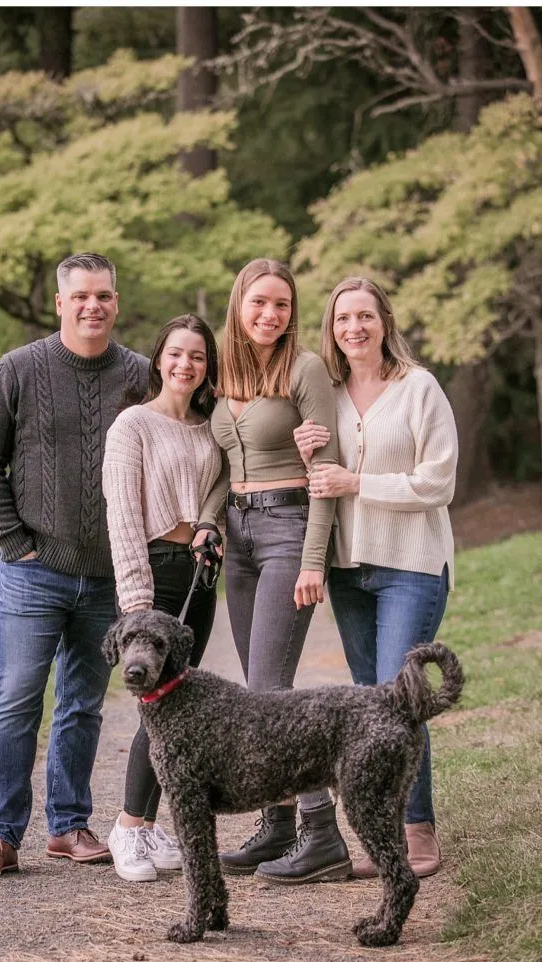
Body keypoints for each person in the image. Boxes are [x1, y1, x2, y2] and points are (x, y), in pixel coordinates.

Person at [0, 252, 149, 877]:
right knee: (17, 699)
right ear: (61, 303)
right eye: (81, 296)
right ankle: (0, 836)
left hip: (107, 576)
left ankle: (69, 826)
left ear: (116, 303)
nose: (93, 306)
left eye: (104, 295)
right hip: (32, 571)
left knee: (83, 704)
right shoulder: (17, 369)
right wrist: (13, 540)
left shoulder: (141, 375)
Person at [294, 276, 458, 878]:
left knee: (398, 699)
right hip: (349, 570)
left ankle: (418, 830)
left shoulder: (419, 388)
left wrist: (356, 482)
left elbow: (438, 482)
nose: (354, 328)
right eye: (342, 319)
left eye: (365, 316)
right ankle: (383, 835)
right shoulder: (328, 395)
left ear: (385, 321)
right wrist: (305, 452)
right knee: (371, 708)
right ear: (331, 329)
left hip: (411, 566)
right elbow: (316, 479)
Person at [195, 257, 352, 884]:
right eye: (259, 302)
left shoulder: (304, 368)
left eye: (282, 304)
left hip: (290, 529)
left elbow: (326, 471)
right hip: (238, 539)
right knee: (258, 689)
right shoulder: (224, 370)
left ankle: (322, 833)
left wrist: (314, 558)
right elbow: (222, 466)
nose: (270, 314)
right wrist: (209, 522)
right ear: (239, 304)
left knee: (268, 689)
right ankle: (278, 825)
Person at [102, 313, 224, 882]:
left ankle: (149, 826)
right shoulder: (133, 425)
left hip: (199, 575)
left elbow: (219, 492)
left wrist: (210, 528)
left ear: (208, 366)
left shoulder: (211, 427)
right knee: (156, 709)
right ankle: (127, 827)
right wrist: (136, 603)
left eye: (197, 356)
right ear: (158, 359)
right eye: (176, 353)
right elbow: (123, 517)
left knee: (175, 707)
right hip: (153, 573)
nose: (185, 364)